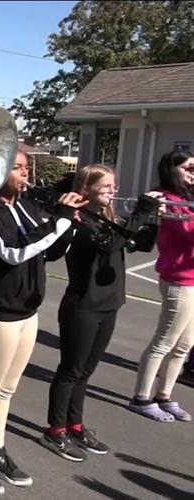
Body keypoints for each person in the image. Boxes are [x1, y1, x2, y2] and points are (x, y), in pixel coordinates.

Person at [0, 151, 86, 495]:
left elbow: (50, 251)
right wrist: (58, 220)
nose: (24, 173)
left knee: (7, 389)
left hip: (26, 312)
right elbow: (13, 252)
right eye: (17, 168)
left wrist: (70, 223)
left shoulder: (27, 206)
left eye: (26, 168)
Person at [40, 164, 159, 462]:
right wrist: (141, 213)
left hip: (109, 303)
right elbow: (110, 246)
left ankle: (75, 425)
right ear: (86, 189)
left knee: (86, 372)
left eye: (114, 186)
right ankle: (55, 430)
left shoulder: (109, 218)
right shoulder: (78, 220)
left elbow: (142, 245)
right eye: (105, 186)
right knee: (71, 370)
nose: (112, 191)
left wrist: (155, 215)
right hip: (83, 306)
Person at [128, 150, 194, 423]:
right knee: (164, 342)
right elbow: (187, 235)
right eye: (189, 167)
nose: (193, 172)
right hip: (179, 280)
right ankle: (141, 397)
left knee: (185, 344)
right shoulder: (165, 199)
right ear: (172, 169)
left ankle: (164, 395)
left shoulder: (188, 199)